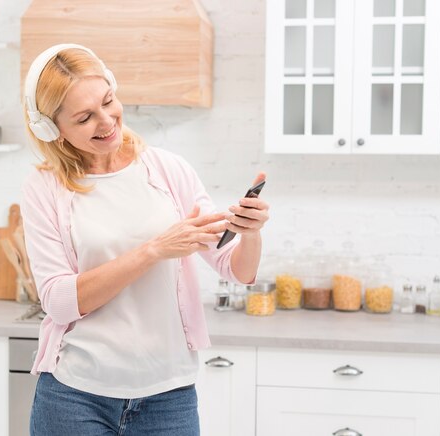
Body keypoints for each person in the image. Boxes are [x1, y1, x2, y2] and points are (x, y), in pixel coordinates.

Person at [21, 43, 269, 436]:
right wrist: (154, 250)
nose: (106, 121)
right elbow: (59, 301)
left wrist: (250, 233)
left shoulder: (168, 170)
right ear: (53, 130)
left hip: (168, 397)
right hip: (75, 396)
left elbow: (235, 268)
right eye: (85, 117)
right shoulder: (44, 189)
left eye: (108, 101)